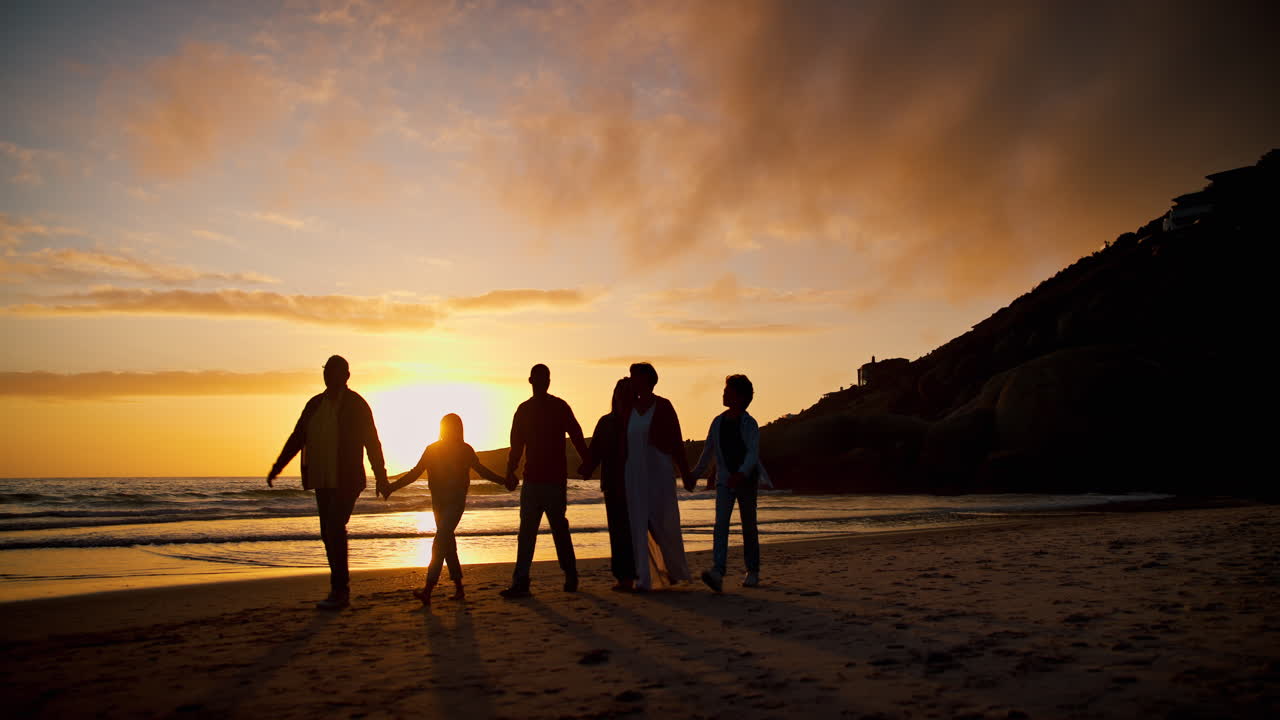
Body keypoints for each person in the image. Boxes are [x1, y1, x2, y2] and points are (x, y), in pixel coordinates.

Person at [268, 355, 387, 610]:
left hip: (347, 479)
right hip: (322, 478)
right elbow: (297, 437)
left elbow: (372, 441)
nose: (328, 375)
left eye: (333, 371)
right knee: (327, 533)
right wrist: (278, 466)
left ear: (345, 376)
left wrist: (381, 475)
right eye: (326, 371)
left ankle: (340, 591)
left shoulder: (356, 404)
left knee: (334, 527)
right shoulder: (314, 404)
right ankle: (338, 589)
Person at [382, 413, 509, 605]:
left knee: (440, 541)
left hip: (455, 502)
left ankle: (428, 590)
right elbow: (415, 473)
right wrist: (392, 487)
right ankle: (459, 589)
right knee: (447, 543)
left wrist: (504, 481)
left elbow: (482, 471)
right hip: (438, 503)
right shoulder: (432, 449)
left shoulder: (465, 450)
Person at [500, 364, 590, 598]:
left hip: (553, 480)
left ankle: (570, 574)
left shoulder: (559, 407)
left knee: (558, 528)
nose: (543, 383)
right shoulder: (524, 410)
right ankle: (522, 580)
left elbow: (577, 434)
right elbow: (516, 446)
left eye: (546, 379)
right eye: (539, 379)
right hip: (532, 480)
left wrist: (587, 462)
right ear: (531, 380)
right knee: (528, 532)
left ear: (549, 381)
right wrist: (510, 471)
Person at [690, 374, 772, 592]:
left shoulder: (749, 423)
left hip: (746, 480)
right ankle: (718, 571)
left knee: (748, 525)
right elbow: (707, 452)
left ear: (740, 397)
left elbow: (752, 454)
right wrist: (694, 474)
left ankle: (752, 570)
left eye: (728, 391)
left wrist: (742, 473)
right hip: (725, 480)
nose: (724, 394)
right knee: (721, 525)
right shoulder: (717, 422)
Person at [623, 362, 694, 591]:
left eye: (635, 376)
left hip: (659, 472)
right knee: (638, 524)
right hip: (634, 473)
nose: (632, 380)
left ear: (647, 380)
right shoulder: (628, 408)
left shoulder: (663, 406)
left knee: (664, 523)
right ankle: (644, 578)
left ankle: (672, 570)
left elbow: (676, 441)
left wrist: (685, 473)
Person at [578, 378, 636, 591]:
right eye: (618, 392)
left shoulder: (636, 420)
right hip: (612, 483)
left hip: (634, 482)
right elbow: (596, 450)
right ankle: (624, 577)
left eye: (625, 392)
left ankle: (641, 573)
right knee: (618, 530)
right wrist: (587, 468)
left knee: (634, 529)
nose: (620, 396)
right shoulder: (606, 422)